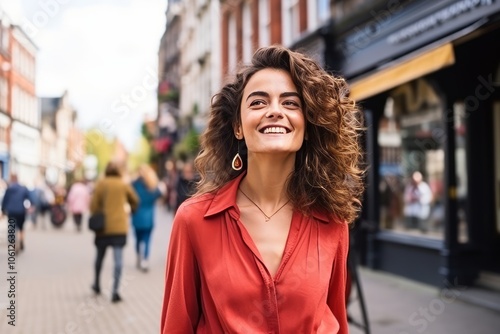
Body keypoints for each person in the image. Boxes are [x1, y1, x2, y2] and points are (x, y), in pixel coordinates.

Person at [160, 45, 365, 333]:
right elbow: (176, 327)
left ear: (307, 125)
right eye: (258, 103)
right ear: (238, 127)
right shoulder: (193, 220)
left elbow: (337, 322)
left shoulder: (333, 221)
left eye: (291, 103)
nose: (275, 111)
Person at [89, 161, 139, 303]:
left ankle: (97, 284)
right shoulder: (123, 184)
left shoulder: (101, 184)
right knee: (118, 261)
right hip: (119, 228)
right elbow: (135, 200)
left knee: (100, 258)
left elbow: (93, 205)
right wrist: (131, 211)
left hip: (103, 228)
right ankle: (115, 292)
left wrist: (98, 214)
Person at [131, 164, 164, 272]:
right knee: (147, 240)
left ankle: (138, 257)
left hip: (136, 216)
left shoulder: (134, 184)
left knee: (138, 239)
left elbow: (129, 196)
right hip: (149, 217)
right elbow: (160, 193)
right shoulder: (152, 184)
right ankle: (145, 260)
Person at [1, 174, 31, 251]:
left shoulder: (9, 189)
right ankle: (21, 239)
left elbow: (5, 201)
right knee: (21, 227)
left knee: (12, 227)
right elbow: (29, 198)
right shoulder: (23, 188)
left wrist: (3, 210)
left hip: (11, 211)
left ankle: (13, 243)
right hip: (21, 210)